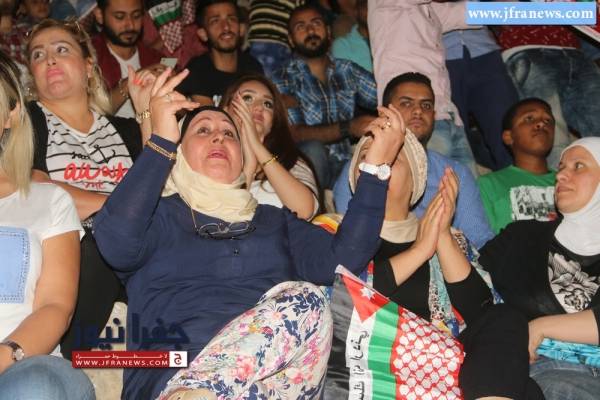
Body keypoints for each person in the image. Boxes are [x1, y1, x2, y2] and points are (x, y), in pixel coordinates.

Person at [92, 66, 404, 399]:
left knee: (309, 302)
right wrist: (160, 142)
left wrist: (375, 170)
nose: (218, 137)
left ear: (243, 159)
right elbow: (114, 240)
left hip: (262, 389)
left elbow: (346, 259)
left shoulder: (273, 221)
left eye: (230, 134)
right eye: (203, 130)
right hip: (170, 377)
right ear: (178, 152)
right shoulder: (156, 213)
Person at [333, 127, 543, 399]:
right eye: (367, 157)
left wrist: (442, 237)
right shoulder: (332, 233)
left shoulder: (454, 238)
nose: (376, 162)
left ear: (416, 180)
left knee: (520, 368)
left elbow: (484, 315)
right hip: (378, 368)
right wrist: (421, 250)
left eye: (391, 155)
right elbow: (340, 301)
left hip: (447, 372)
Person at [25, 18, 147, 357]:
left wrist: (147, 111)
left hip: (132, 250)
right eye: (38, 55)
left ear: (88, 67)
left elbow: (156, 187)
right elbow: (36, 186)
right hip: (70, 250)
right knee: (99, 243)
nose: (49, 59)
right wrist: (121, 206)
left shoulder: (126, 130)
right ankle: (61, 358)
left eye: (61, 50)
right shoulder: (28, 121)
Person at [0, 49, 94, 400]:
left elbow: (55, 306)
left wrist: (4, 356)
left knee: (33, 389)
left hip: (27, 364)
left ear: (10, 115)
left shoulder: (48, 200)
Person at [478, 137, 600, 400]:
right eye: (561, 167)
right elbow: (472, 285)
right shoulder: (522, 237)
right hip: (535, 373)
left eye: (578, 166)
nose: (561, 175)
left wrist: (541, 327)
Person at [334, 72, 494, 249]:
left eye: (426, 105)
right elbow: (351, 242)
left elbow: (479, 240)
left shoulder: (455, 173)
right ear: (385, 114)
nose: (418, 111)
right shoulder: (359, 170)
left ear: (434, 116)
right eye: (406, 103)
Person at [272, 3, 377, 189]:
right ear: (290, 39)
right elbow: (296, 134)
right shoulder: (282, 77)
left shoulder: (346, 70)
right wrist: (349, 127)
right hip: (304, 166)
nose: (310, 30)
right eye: (301, 27)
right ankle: (313, 204)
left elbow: (383, 97)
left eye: (316, 23)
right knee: (313, 149)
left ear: (328, 32)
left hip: (345, 163)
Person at [368, 0, 478, 176]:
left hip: (448, 115)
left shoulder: (430, 10)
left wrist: (528, 11)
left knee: (469, 188)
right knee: (428, 188)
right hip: (413, 123)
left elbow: (473, 13)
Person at [220, 74, 319, 219]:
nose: (259, 107)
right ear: (226, 111)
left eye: (268, 104)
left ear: (273, 122)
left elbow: (304, 210)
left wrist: (257, 147)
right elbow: (223, 219)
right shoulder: (213, 156)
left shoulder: (291, 160)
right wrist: (249, 167)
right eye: (247, 98)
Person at [443, 27, 518, 170]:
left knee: (509, 129)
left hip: (485, 51)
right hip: (441, 57)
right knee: (454, 138)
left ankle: (516, 179)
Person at [478, 98, 557, 234]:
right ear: (508, 137)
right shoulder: (488, 184)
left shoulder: (568, 181)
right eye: (529, 118)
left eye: (548, 120)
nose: (541, 123)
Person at [177, 0, 264, 106]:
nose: (226, 27)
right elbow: (208, 114)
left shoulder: (253, 67)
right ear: (203, 34)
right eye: (215, 21)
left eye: (231, 19)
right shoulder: (197, 70)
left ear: (241, 29)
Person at [92, 0, 164, 118]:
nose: (130, 25)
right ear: (100, 15)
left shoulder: (156, 58)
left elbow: (181, 112)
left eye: (136, 16)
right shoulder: (87, 57)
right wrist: (131, 82)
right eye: (119, 17)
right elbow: (90, 113)